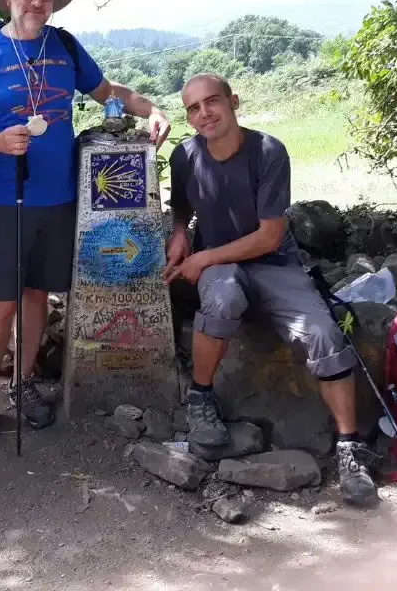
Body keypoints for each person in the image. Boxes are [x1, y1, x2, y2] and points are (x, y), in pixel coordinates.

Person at [0, 0, 171, 443]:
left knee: (36, 296)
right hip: (5, 197)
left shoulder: (65, 46)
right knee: (2, 300)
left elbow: (109, 91)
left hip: (61, 197)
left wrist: (151, 109)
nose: (37, 1)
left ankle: (23, 382)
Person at [162, 73, 379, 508]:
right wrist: (181, 232)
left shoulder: (268, 151)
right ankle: (201, 398)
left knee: (324, 333)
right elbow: (182, 204)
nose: (204, 113)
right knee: (222, 297)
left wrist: (202, 258)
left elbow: (269, 236)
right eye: (193, 108)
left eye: (212, 101)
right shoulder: (185, 155)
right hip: (223, 269)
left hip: (274, 262)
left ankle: (350, 448)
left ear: (234, 101)